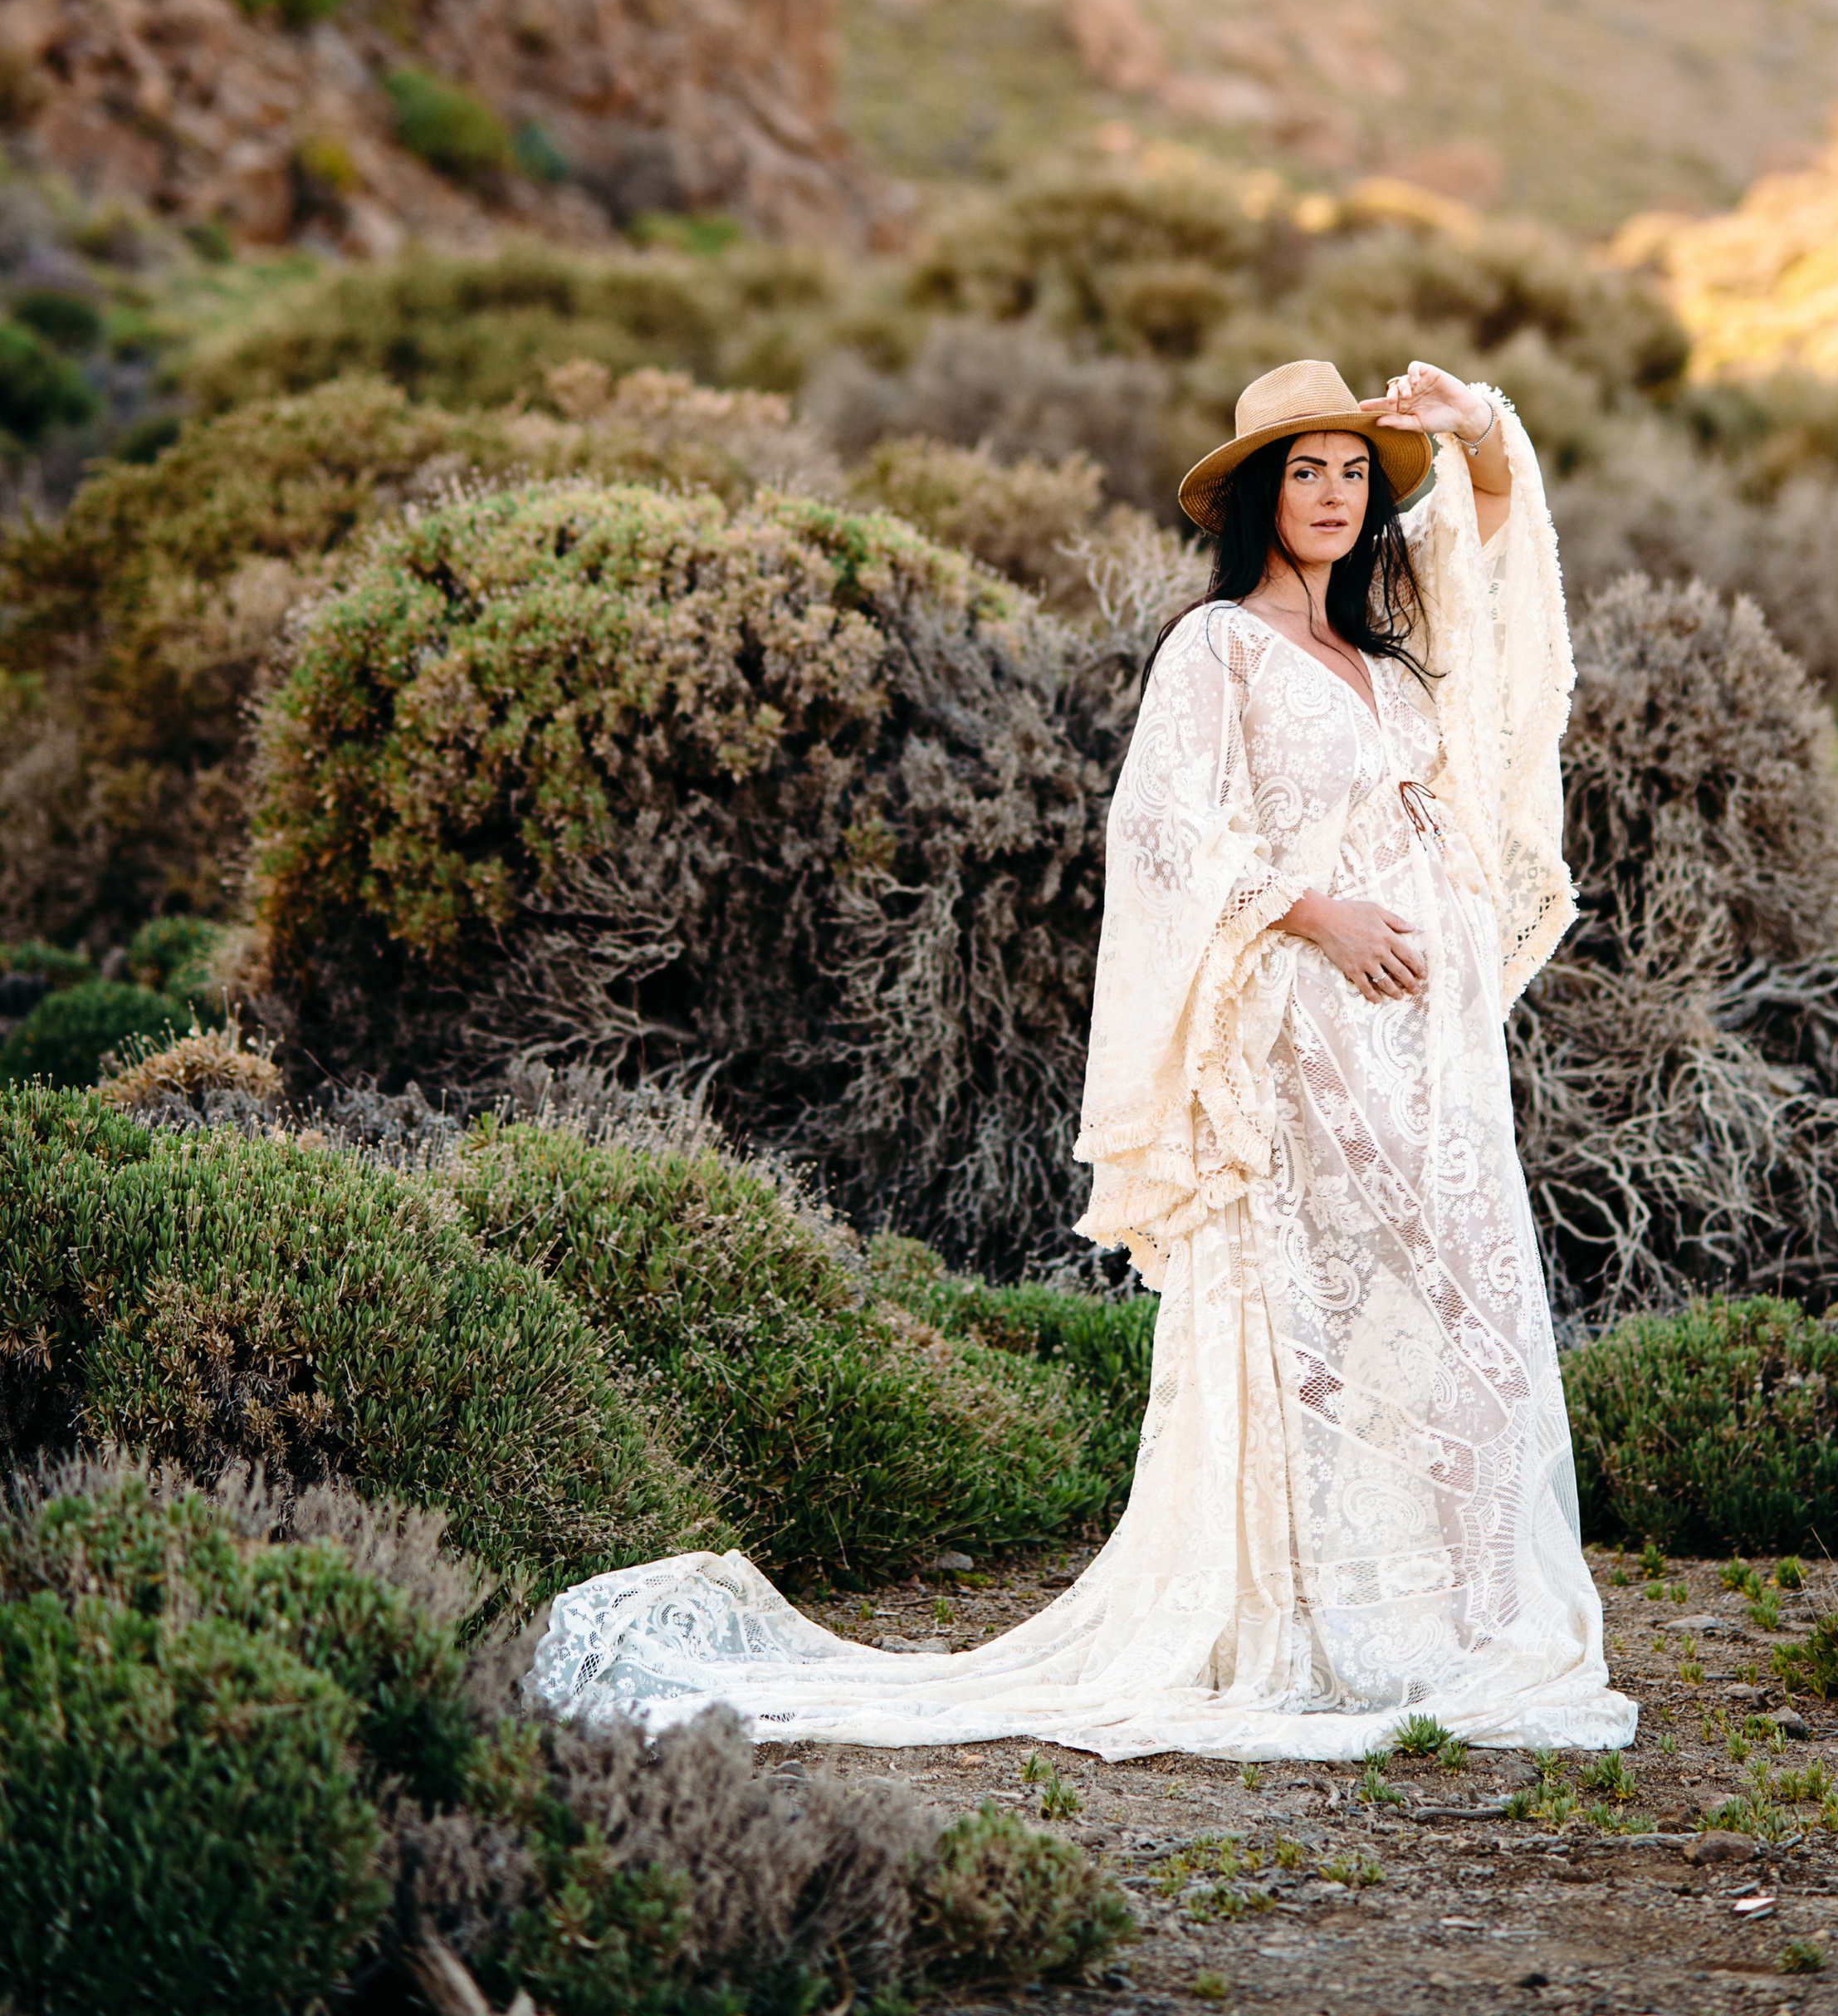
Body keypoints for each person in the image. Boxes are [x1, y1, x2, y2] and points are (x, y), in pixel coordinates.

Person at [530, 357, 1635, 1760]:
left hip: (1432, 1037)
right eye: (1306, 471)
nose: (1335, 496)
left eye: (1354, 472)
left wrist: (1476, 424)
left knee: (1461, 1295)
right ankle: (1301, 1619)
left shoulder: (1391, 630)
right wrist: (1318, 911)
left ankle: (1470, 1622)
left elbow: (1500, 539)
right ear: (1258, 496)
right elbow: (1167, 839)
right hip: (1303, 1022)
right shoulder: (1217, 648)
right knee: (1323, 1319)